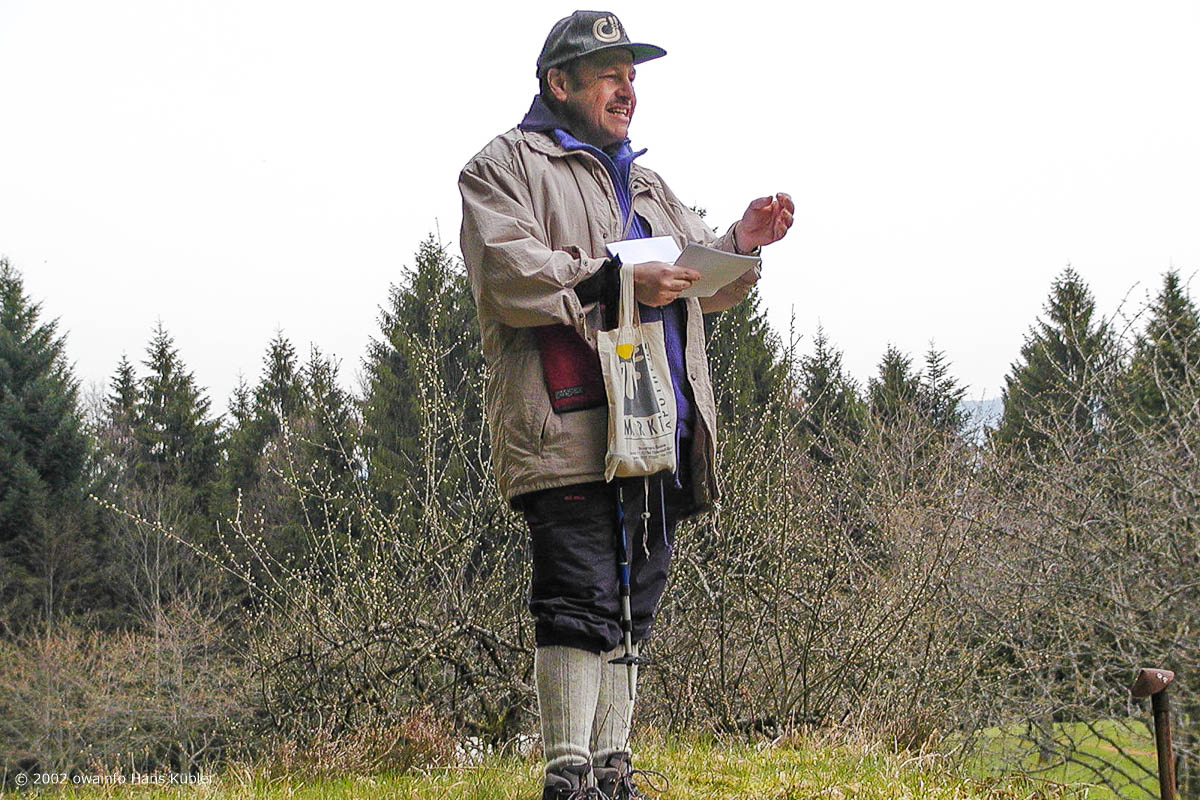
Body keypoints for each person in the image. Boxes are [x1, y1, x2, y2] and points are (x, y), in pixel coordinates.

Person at [458, 11, 793, 799]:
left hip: (655, 424)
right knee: (579, 599)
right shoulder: (502, 167)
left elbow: (700, 280)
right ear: (559, 82)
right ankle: (567, 776)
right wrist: (615, 278)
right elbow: (508, 275)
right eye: (609, 75)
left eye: (632, 76)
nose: (627, 90)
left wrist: (740, 243)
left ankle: (612, 774)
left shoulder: (647, 183)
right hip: (568, 424)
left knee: (632, 603)